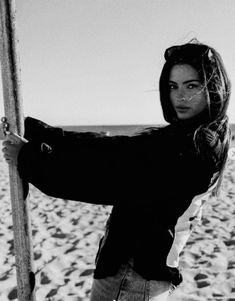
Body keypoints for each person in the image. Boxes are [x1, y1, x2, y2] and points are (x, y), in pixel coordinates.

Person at [1, 40, 231, 300]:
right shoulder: (199, 135)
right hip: (142, 276)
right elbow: (115, 149)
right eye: (173, 86)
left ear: (213, 88)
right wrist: (38, 132)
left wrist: (29, 159)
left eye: (192, 86)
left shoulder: (194, 147)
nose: (180, 96)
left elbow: (102, 180)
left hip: (133, 280)